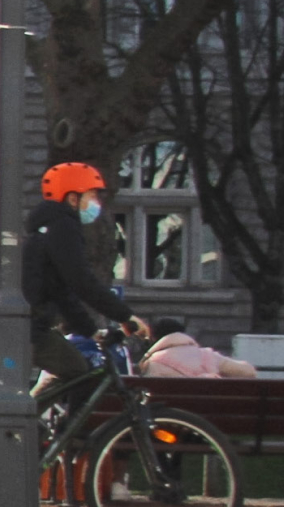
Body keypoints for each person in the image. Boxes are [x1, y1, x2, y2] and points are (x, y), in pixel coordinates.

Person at [20, 161, 150, 388]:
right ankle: (29, 422)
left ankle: (33, 419)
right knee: (80, 374)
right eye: (91, 196)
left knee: (77, 372)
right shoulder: (64, 226)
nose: (96, 204)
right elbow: (82, 281)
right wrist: (125, 316)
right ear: (72, 198)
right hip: (28, 327)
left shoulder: (47, 228)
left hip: (27, 325)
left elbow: (63, 293)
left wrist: (90, 331)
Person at [140, 317, 259, 379]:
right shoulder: (207, 355)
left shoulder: (154, 362)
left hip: (171, 418)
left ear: (155, 339)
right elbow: (250, 372)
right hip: (209, 419)